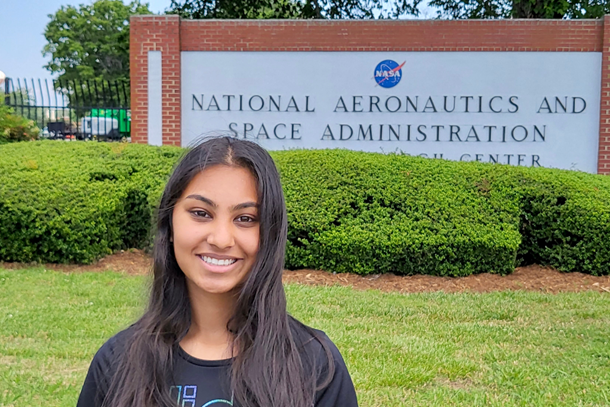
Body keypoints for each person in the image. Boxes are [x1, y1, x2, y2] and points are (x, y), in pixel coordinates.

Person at [76, 136, 359, 407]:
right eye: (201, 213)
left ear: (270, 235)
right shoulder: (117, 361)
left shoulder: (315, 363)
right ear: (170, 223)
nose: (221, 239)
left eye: (246, 219)